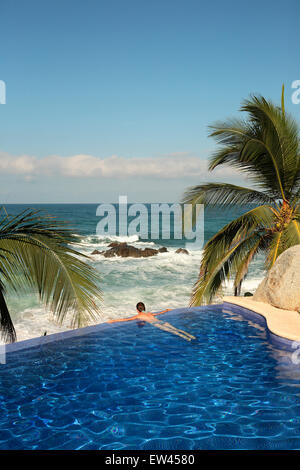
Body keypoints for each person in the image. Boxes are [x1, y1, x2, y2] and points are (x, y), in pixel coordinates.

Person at [108, 302, 196, 341]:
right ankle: (190, 335)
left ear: (137, 309)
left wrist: (113, 321)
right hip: (161, 321)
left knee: (173, 332)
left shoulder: (139, 316)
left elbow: (125, 320)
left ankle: (186, 338)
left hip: (156, 324)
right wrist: (166, 310)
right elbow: (159, 313)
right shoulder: (149, 313)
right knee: (176, 329)